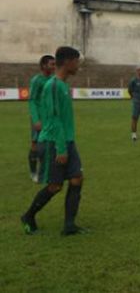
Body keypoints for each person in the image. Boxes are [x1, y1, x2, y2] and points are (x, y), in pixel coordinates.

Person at [21, 46, 85, 236]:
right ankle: (28, 216)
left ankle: (69, 226)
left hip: (67, 139)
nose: (78, 65)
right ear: (67, 62)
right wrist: (61, 149)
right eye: (77, 61)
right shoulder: (54, 86)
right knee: (55, 186)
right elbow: (55, 120)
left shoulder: (63, 85)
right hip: (55, 142)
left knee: (77, 179)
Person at [28, 55, 55, 183]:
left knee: (48, 144)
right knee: (35, 144)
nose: (54, 66)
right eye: (51, 64)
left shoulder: (53, 79)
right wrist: (35, 119)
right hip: (38, 117)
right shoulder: (37, 80)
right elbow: (32, 100)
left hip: (49, 118)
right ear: (44, 65)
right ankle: (33, 172)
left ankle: (44, 171)